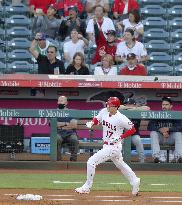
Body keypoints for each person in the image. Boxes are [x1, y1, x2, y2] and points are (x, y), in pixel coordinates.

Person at [75, 97, 140, 195]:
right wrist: (92, 123)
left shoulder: (121, 118)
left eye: (110, 105)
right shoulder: (104, 111)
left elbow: (132, 129)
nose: (107, 106)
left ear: (115, 107)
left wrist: (120, 137)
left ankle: (86, 187)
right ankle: (135, 180)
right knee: (121, 165)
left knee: (91, 162)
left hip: (113, 146)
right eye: (107, 104)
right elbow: (97, 119)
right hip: (107, 145)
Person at [148, 97, 182, 163]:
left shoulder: (176, 114)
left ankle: (179, 157)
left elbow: (180, 127)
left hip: (170, 138)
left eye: (166, 105)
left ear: (171, 106)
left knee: (178, 134)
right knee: (153, 133)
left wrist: (169, 129)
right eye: (163, 105)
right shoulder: (157, 114)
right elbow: (150, 126)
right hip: (160, 138)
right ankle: (156, 157)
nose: (164, 106)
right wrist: (160, 130)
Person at [121, 98, 150, 163]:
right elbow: (119, 107)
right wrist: (128, 108)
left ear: (134, 105)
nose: (128, 106)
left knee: (138, 140)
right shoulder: (121, 112)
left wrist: (134, 109)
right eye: (126, 104)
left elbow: (147, 108)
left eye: (130, 104)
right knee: (119, 143)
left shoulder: (137, 111)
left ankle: (142, 161)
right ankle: (120, 161)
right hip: (122, 135)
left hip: (134, 135)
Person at [57, 96, 79, 161]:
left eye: (62, 101)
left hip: (70, 133)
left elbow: (74, 125)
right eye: (59, 101)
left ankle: (73, 160)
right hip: (58, 133)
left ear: (66, 103)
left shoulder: (71, 112)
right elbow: (54, 124)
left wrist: (60, 125)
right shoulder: (53, 112)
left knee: (74, 139)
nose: (60, 102)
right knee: (57, 139)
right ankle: (58, 160)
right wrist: (66, 124)